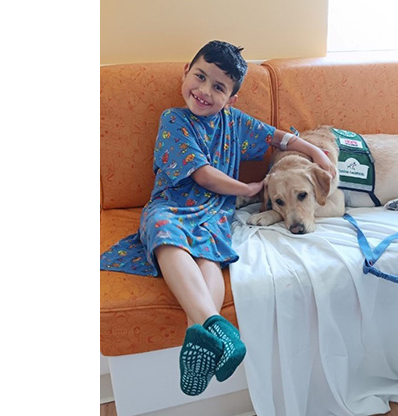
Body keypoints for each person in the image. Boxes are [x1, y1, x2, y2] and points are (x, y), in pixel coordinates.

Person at [138, 40, 336, 396]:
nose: (204, 91)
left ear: (231, 99)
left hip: (214, 212)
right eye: (200, 77)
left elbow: (278, 139)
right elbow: (202, 174)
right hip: (172, 203)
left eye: (218, 87)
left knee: (209, 255)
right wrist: (246, 190)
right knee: (164, 232)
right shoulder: (174, 119)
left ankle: (199, 342)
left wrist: (313, 150)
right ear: (186, 72)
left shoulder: (235, 121)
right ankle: (215, 325)